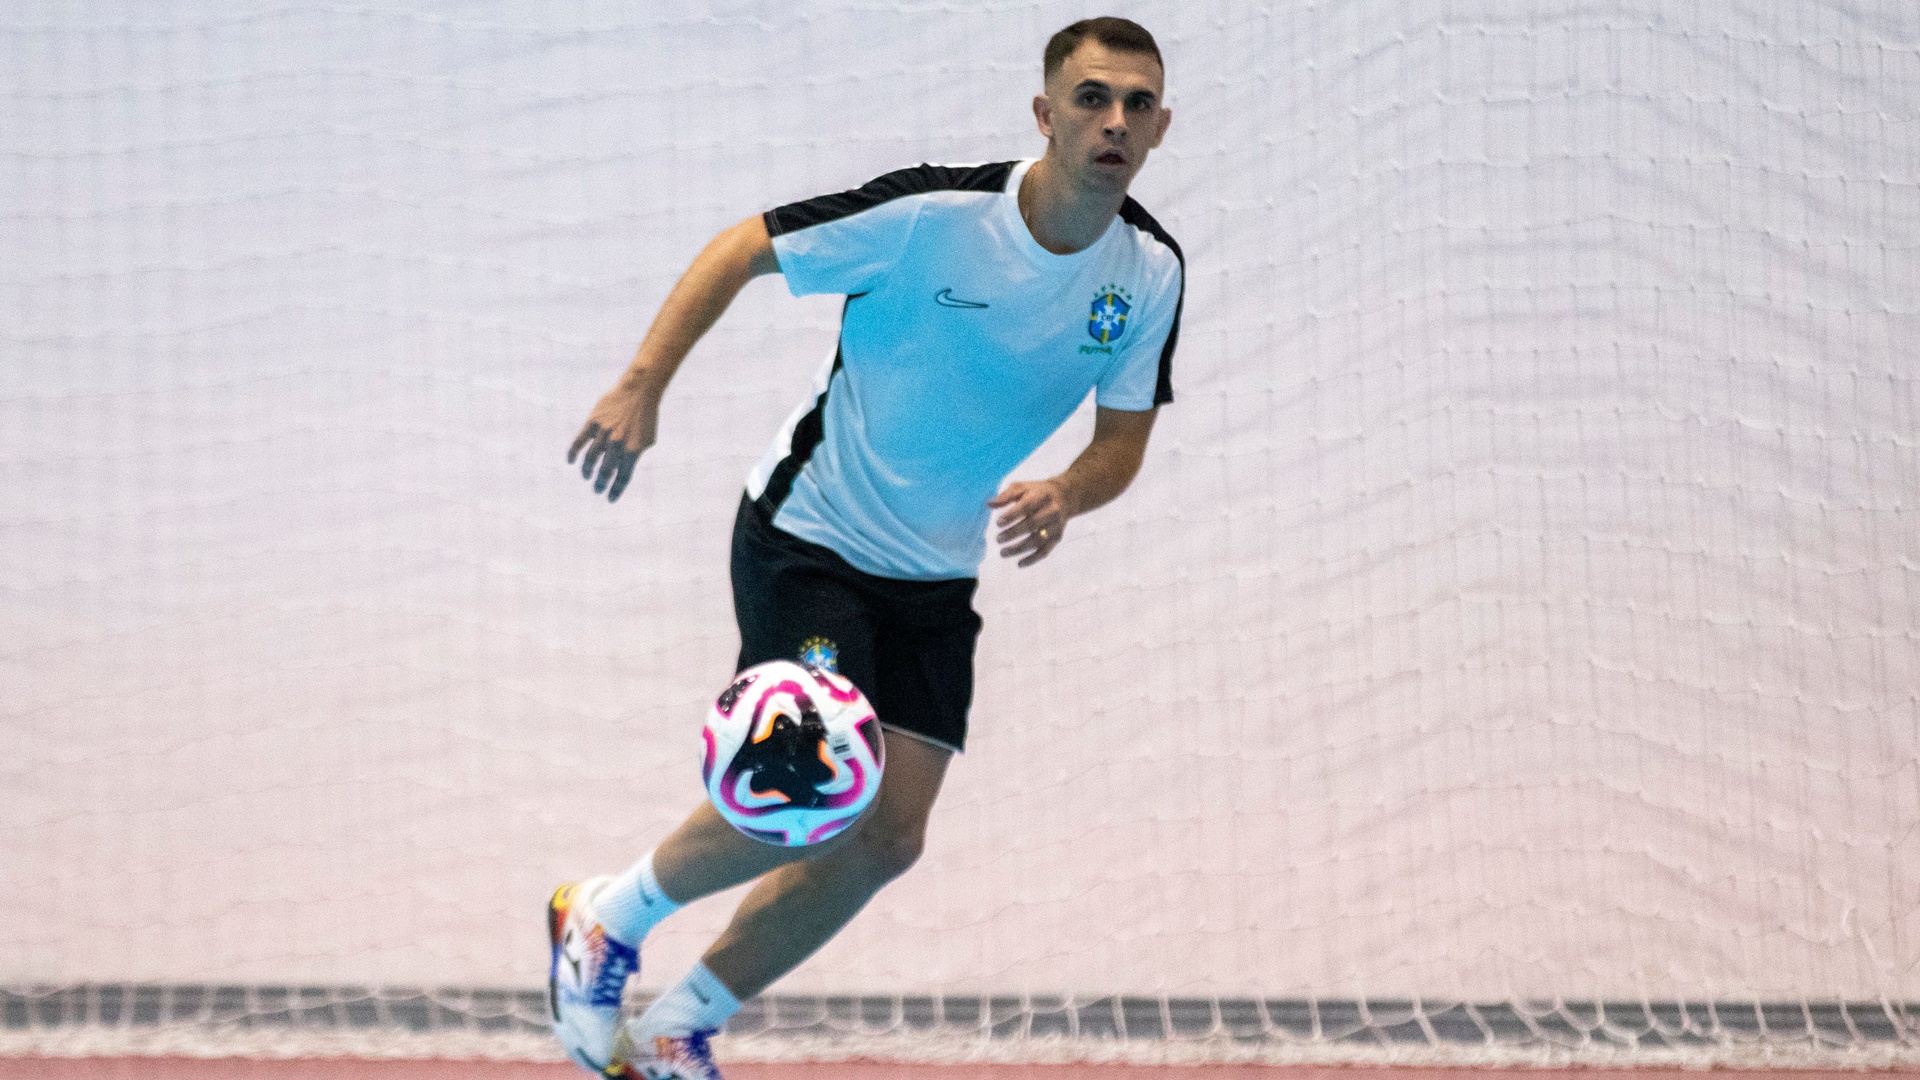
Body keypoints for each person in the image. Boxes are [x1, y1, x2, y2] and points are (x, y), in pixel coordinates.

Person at [550, 16, 1184, 1079]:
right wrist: (640, 384)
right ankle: (606, 919)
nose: (1112, 121)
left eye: (1135, 104)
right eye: (1090, 98)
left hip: (934, 573)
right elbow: (745, 244)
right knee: (808, 790)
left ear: (1160, 127)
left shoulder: (1150, 274)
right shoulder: (937, 217)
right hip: (812, 533)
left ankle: (674, 1025)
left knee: (889, 838)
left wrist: (1069, 493)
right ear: (1046, 114)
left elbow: (1121, 442)